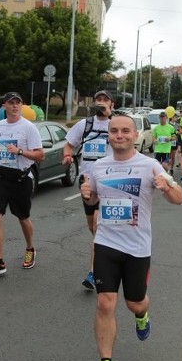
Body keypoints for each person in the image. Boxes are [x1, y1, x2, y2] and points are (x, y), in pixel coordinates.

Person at [79, 114, 182, 361]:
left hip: (137, 248)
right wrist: (87, 194)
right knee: (104, 303)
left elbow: (178, 199)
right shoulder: (99, 167)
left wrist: (167, 186)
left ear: (135, 135)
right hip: (106, 243)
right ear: (109, 136)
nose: (119, 135)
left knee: (134, 302)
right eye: (114, 131)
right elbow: (93, 199)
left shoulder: (149, 165)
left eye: (125, 130)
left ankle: (142, 315)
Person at [0, 92, 45, 278]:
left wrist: (19, 151)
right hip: (1, 176)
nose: (15, 106)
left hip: (21, 178)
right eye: (11, 103)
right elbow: (1, 146)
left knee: (23, 218)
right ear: (4, 106)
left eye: (18, 102)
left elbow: (40, 155)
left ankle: (30, 248)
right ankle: (0, 262)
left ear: (22, 105)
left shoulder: (28, 127)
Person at [62, 90, 115, 291]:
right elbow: (69, 145)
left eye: (105, 100)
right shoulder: (84, 125)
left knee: (97, 225)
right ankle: (105, 250)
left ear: (112, 103)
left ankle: (94, 272)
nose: (101, 103)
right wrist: (67, 156)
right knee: (92, 227)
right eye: (98, 100)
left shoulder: (115, 125)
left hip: (108, 182)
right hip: (86, 181)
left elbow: (128, 147)